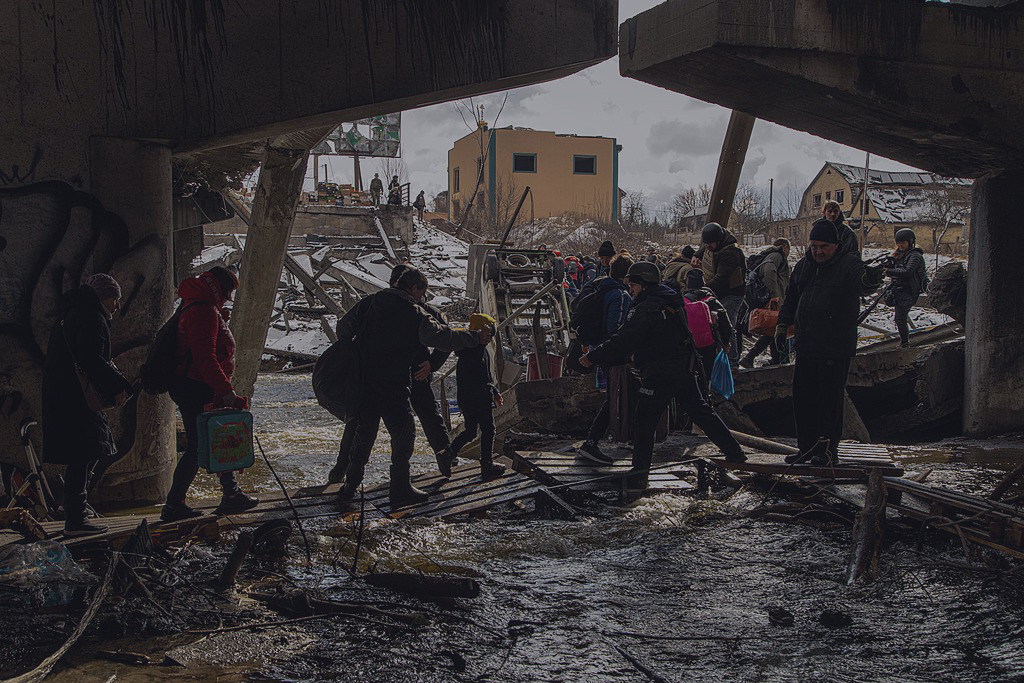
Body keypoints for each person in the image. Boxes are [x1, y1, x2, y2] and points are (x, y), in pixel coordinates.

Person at [581, 262, 746, 491]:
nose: (632, 290)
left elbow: (625, 339)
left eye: (635, 285)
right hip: (682, 368)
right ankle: (735, 453)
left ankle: (639, 474)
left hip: (660, 372)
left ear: (645, 285)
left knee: (644, 420)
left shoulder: (647, 308)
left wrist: (594, 356)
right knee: (702, 411)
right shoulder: (670, 301)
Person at [339, 268, 490, 505]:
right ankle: (400, 488)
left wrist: (357, 353)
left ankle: (350, 484)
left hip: (366, 383)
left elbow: (343, 329)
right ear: (413, 288)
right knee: (403, 435)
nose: (422, 298)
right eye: (422, 293)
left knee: (363, 435)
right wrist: (474, 338)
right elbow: (443, 337)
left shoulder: (369, 303)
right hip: (394, 385)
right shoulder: (414, 313)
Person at [327, 265, 454, 485]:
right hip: (384, 376)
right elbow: (345, 331)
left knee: (427, 419)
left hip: (415, 373)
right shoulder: (376, 305)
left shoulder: (421, 310)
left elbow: (447, 338)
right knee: (363, 425)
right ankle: (342, 470)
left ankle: (448, 463)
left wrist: (432, 364)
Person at [776, 220, 883, 466]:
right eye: (814, 246)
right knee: (803, 399)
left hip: (834, 346)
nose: (818, 251)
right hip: (806, 345)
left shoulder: (848, 265)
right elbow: (791, 298)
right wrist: (783, 326)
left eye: (824, 246)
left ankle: (827, 452)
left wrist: (872, 279)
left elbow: (863, 284)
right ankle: (805, 448)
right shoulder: (804, 266)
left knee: (829, 400)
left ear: (835, 245)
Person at [161, 266, 259, 522]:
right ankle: (175, 504)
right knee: (198, 445)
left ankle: (230, 493)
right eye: (227, 292)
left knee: (219, 436)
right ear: (219, 288)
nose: (227, 298)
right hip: (197, 387)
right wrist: (226, 392)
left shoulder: (198, 305)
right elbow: (206, 359)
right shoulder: (203, 311)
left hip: (193, 385)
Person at [42, 274, 133, 536]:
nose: (117, 305)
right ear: (103, 297)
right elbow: (92, 359)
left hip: (64, 396)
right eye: (115, 299)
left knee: (85, 453)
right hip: (78, 400)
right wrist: (118, 386)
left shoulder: (70, 314)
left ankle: (75, 514)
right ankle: (75, 519)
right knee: (85, 454)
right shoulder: (92, 318)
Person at [576, 253, 634, 465]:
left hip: (598, 349)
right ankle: (591, 443)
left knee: (616, 396)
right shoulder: (620, 295)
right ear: (627, 276)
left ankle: (619, 437)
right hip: (610, 353)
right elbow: (616, 329)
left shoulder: (601, 288)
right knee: (614, 397)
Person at [440, 314, 506, 479]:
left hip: (468, 397)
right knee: (488, 430)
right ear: (477, 332)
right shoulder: (473, 351)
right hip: (477, 397)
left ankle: (447, 454)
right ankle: (487, 464)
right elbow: (480, 378)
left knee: (470, 431)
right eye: (487, 333)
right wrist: (491, 392)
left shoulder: (476, 349)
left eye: (491, 334)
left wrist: (495, 391)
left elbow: (486, 377)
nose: (489, 337)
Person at [739, 237, 792, 368]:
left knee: (773, 327)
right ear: (785, 248)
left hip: (767, 297)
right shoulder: (777, 255)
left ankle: (776, 359)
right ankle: (750, 356)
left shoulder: (767, 256)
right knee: (774, 328)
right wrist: (774, 295)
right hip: (774, 299)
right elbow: (769, 270)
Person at [698, 222, 746, 364]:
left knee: (727, 325)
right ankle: (723, 356)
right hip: (720, 293)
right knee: (719, 325)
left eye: (710, 244)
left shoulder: (730, 253)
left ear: (718, 241)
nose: (708, 247)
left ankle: (732, 361)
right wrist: (696, 254)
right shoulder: (717, 244)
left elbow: (721, 278)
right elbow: (705, 248)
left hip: (733, 293)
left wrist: (702, 290)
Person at [682, 269, 733, 392]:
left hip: (689, 345)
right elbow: (726, 324)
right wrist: (726, 342)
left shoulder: (683, 301)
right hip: (709, 344)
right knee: (708, 372)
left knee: (691, 373)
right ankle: (707, 394)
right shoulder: (711, 300)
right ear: (703, 283)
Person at [884, 228, 928, 347]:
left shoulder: (915, 255)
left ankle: (904, 343)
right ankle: (904, 342)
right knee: (899, 318)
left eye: (903, 243)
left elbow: (907, 271)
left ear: (910, 242)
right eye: (898, 243)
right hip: (899, 290)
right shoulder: (899, 254)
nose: (900, 245)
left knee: (900, 318)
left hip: (909, 290)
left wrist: (890, 271)